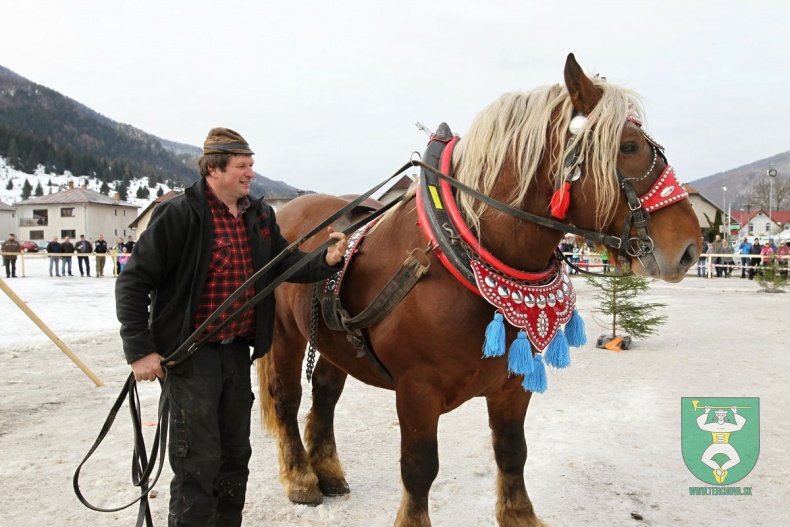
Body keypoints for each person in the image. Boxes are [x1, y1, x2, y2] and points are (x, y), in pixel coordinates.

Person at [116, 127, 348, 526]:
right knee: (197, 463)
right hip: (190, 358)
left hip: (237, 354)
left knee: (234, 459)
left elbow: (284, 265)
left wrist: (326, 262)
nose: (250, 173)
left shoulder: (258, 216)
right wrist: (140, 349)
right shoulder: (179, 215)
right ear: (214, 170)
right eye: (242, 166)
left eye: (251, 165)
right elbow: (134, 281)